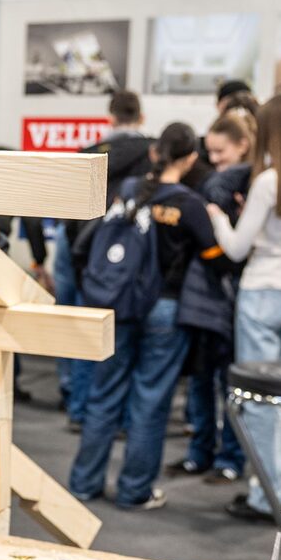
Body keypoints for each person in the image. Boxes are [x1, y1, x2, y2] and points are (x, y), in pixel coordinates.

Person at [68, 123, 232, 510]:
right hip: (165, 310)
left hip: (119, 303)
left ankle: (83, 483)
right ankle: (134, 490)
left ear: (156, 153)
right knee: (150, 400)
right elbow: (215, 257)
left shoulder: (127, 191)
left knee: (104, 395)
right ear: (191, 158)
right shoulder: (189, 204)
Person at [207, 94, 281, 522]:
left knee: (257, 401)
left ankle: (269, 497)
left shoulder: (267, 181)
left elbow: (237, 248)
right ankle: (272, 491)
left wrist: (218, 218)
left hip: (260, 291)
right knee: (274, 400)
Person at [168, 109, 256, 484]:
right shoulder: (217, 185)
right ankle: (206, 453)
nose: (214, 159)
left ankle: (228, 457)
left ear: (243, 145)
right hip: (208, 296)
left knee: (227, 383)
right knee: (206, 380)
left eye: (221, 151)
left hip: (230, 296)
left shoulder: (245, 185)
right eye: (211, 152)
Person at [59, 90, 152, 431]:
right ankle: (121, 421)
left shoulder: (87, 155)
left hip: (90, 259)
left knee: (87, 338)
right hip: (136, 265)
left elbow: (69, 216)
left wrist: (79, 253)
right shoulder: (153, 155)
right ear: (140, 116)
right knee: (128, 346)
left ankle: (80, 411)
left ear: (110, 116)